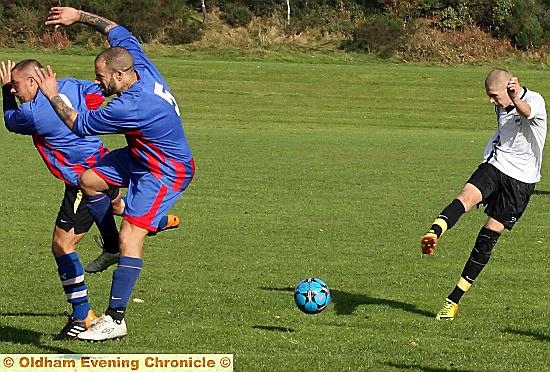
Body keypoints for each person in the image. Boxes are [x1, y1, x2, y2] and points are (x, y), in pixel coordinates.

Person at [35, 6, 195, 341]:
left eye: (100, 77)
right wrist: (77, 15)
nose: (97, 81)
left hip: (165, 170)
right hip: (140, 155)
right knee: (88, 180)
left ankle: (116, 318)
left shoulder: (129, 106)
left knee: (131, 238)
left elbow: (78, 124)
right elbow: (114, 28)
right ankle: (111, 242)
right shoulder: (140, 65)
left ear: (119, 76)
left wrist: (52, 94)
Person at [0, 58, 122, 339]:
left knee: (62, 245)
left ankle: (83, 316)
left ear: (33, 81)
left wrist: (5, 92)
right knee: (117, 206)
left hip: (82, 179)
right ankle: (160, 221)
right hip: (102, 163)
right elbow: (95, 95)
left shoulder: (32, 113)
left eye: (18, 85)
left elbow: (10, 120)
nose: (16, 91)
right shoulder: (70, 84)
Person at [420, 69, 547, 320]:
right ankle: (434, 232)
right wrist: (506, 98)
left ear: (508, 89)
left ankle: (452, 301)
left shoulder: (535, 101)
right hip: (496, 164)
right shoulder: (501, 105)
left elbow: (528, 114)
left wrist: (515, 97)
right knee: (465, 196)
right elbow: (507, 112)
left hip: (521, 182)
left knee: (487, 237)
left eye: (494, 95)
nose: (491, 101)